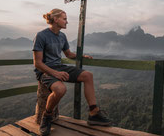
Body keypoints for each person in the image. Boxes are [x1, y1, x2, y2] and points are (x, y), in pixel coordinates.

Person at [33, 8, 111, 136]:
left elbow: (68, 54)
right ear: (56, 19)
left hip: (59, 67)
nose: (67, 22)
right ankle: (46, 117)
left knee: (87, 75)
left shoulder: (62, 36)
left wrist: (81, 56)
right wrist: (55, 74)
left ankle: (93, 113)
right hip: (45, 71)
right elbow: (38, 63)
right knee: (60, 89)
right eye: (64, 19)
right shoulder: (41, 35)